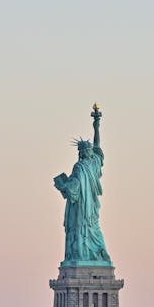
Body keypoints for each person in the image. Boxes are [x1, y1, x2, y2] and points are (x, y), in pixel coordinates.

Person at [53, 105, 111, 265]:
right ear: (83, 152)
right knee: (85, 228)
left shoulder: (89, 165)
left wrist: (96, 125)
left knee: (88, 228)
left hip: (87, 207)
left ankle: (92, 254)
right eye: (87, 149)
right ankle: (83, 254)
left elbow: (72, 190)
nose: (89, 151)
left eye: (89, 149)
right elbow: (74, 188)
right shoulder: (84, 166)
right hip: (82, 206)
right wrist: (64, 186)